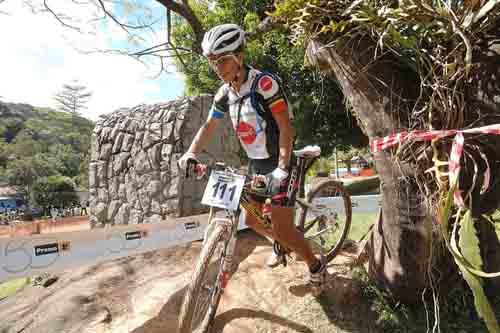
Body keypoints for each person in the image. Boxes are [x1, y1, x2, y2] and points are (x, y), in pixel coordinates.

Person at [178, 23, 326, 294]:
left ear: (240, 57)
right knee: (255, 220)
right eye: (213, 61)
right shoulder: (225, 93)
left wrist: (282, 168)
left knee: (283, 229)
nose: (217, 67)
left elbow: (285, 128)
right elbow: (209, 126)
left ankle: (315, 264)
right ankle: (281, 242)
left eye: (223, 60)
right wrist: (191, 152)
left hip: (282, 162)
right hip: (257, 164)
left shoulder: (264, 84)